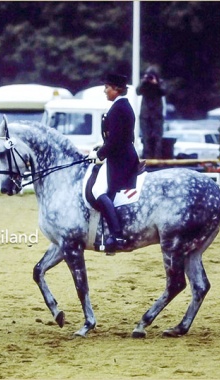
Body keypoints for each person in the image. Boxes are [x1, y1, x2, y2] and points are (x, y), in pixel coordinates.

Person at [88, 73, 139, 253]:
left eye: (107, 87)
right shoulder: (122, 106)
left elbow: (116, 140)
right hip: (120, 155)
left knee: (98, 191)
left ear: (116, 89)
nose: (104, 90)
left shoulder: (118, 109)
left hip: (121, 159)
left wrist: (100, 154)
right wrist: (100, 148)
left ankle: (116, 235)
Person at [136, 66, 166, 159]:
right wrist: (144, 82)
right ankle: (147, 157)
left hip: (157, 115)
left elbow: (164, 92)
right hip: (145, 114)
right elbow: (138, 91)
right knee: (146, 138)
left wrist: (156, 84)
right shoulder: (144, 83)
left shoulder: (160, 83)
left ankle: (157, 158)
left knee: (157, 138)